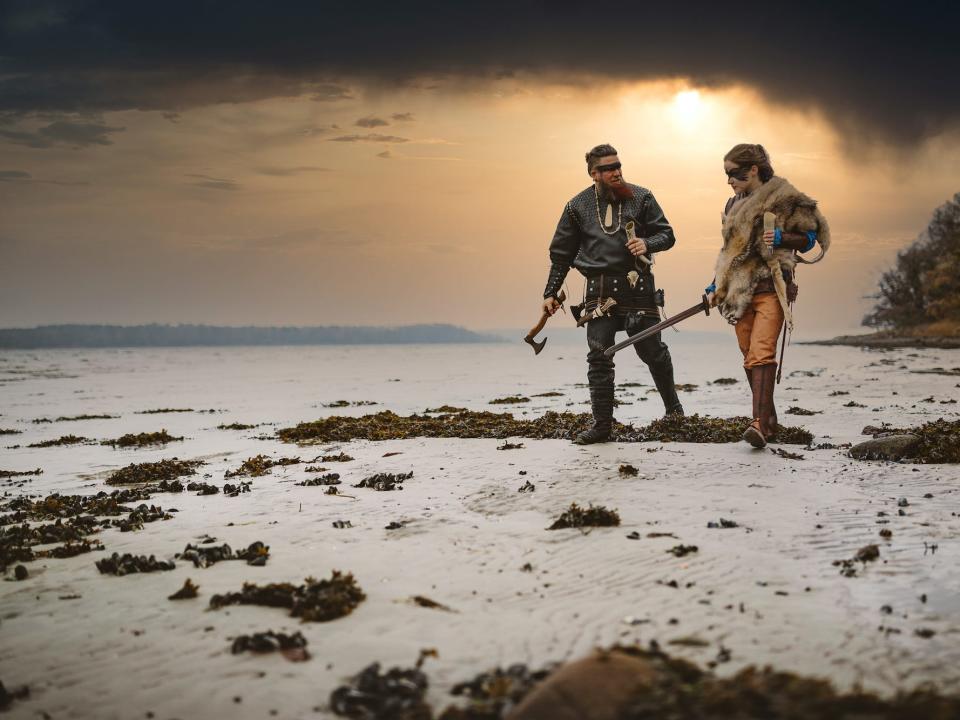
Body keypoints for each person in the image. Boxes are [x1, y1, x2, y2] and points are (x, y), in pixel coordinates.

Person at [542, 143, 683, 445]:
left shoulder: (642, 197)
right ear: (594, 173)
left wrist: (647, 243)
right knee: (599, 355)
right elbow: (561, 254)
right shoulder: (576, 206)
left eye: (618, 165)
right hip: (599, 292)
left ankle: (675, 412)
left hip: (638, 289)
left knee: (652, 352)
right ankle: (602, 427)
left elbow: (667, 235)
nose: (616, 171)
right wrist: (551, 291)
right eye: (608, 168)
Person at [705, 143, 830, 448]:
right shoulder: (732, 204)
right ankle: (769, 422)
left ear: (753, 170)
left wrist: (782, 237)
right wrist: (713, 286)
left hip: (772, 288)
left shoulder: (786, 198)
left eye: (734, 173)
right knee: (750, 356)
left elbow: (811, 238)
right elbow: (729, 253)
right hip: (737, 291)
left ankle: (759, 424)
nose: (729, 180)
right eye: (726, 174)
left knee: (761, 352)